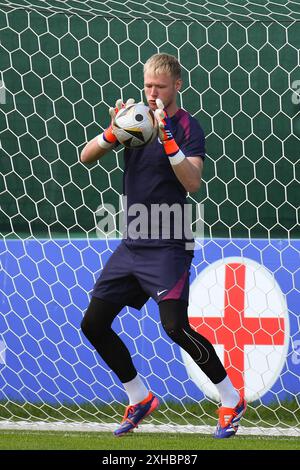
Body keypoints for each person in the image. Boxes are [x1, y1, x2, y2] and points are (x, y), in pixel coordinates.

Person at [80, 53, 246, 438]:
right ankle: (139, 397)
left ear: (177, 87)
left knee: (175, 327)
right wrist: (112, 133)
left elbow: (192, 183)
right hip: (132, 242)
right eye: (148, 85)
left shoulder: (188, 126)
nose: (152, 92)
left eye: (160, 86)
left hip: (169, 243)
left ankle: (229, 398)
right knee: (93, 324)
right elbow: (86, 157)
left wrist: (169, 139)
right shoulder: (134, 118)